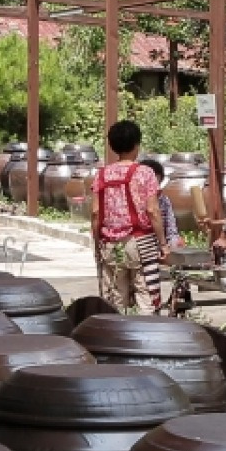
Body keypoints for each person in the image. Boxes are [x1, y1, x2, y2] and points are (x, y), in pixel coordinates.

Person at [90, 121, 169, 313]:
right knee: (146, 296)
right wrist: (163, 243)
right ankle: (147, 338)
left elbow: (95, 214)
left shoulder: (101, 175)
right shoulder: (145, 173)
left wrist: (97, 243)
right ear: (136, 144)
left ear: (112, 145)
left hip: (110, 244)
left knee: (115, 299)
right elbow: (152, 211)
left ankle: (116, 337)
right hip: (141, 242)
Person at [140, 159, 185, 248]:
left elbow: (171, 230)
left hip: (160, 247)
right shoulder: (134, 199)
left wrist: (175, 242)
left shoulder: (164, 200)